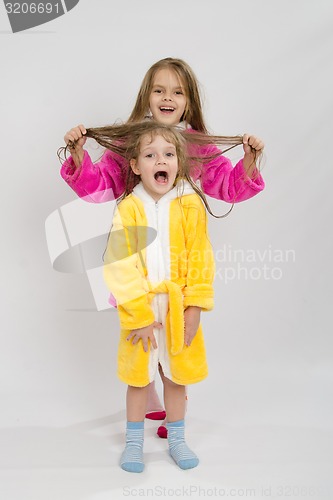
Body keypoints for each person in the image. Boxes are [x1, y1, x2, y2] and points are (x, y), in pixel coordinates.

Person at [61, 57, 265, 437]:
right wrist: (77, 157)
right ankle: (149, 395)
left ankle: (174, 415)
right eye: (159, 90)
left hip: (178, 263)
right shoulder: (129, 143)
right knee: (145, 332)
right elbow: (99, 186)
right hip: (138, 260)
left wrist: (249, 163)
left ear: (189, 101)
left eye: (177, 91)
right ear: (147, 96)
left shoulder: (199, 148)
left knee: (174, 338)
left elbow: (228, 187)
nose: (167, 97)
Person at [102, 121, 216, 472]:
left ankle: (178, 439)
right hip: (141, 309)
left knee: (176, 377)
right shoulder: (129, 209)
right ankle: (134, 443)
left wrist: (195, 305)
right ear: (135, 165)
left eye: (168, 154)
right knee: (138, 380)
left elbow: (201, 256)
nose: (160, 160)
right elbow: (120, 263)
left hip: (178, 306)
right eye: (150, 155)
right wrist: (139, 314)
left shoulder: (190, 205)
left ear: (178, 162)